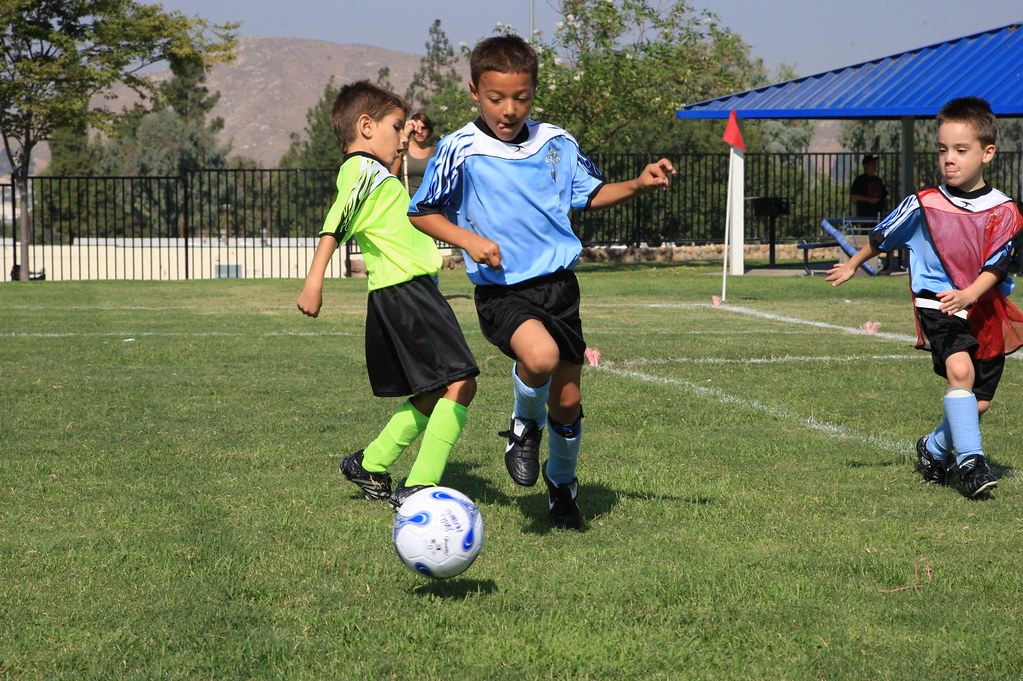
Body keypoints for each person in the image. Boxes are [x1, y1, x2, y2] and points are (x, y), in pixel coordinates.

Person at [408, 35, 675, 529]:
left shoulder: (557, 142)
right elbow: (421, 211)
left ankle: (562, 485)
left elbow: (589, 194)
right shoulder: (460, 148)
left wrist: (638, 184)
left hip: (559, 288)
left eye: (521, 97)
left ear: (534, 92)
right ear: (474, 92)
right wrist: (468, 240)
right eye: (496, 98)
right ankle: (523, 426)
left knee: (568, 403)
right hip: (504, 290)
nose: (509, 110)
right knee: (540, 357)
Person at [825, 96, 1023, 498]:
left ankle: (932, 448)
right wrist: (853, 263)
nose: (949, 159)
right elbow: (883, 235)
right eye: (942, 149)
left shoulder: (1005, 210)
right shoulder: (923, 203)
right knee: (960, 374)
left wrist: (969, 294)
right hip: (937, 302)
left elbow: (999, 266)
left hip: (982, 305)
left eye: (961, 150)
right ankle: (972, 464)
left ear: (987, 153)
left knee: (978, 403)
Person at [297, 80, 479, 509]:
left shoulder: (374, 172)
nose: (402, 136)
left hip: (405, 292)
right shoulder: (361, 171)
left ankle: (370, 464)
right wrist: (313, 281)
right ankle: (419, 487)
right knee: (461, 382)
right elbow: (335, 222)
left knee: (435, 389)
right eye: (396, 127)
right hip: (405, 293)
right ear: (366, 126)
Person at [850, 154, 899, 272]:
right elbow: (854, 195)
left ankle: (885, 264)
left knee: (883, 238)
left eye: (875, 164)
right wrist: (868, 200)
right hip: (865, 216)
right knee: (867, 240)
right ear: (866, 166)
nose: (874, 166)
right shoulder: (860, 180)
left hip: (879, 216)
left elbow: (884, 196)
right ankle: (866, 264)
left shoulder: (878, 180)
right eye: (872, 164)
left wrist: (886, 209)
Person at [390, 112, 437, 196]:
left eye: (424, 128)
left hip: (428, 201)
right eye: (416, 128)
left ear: (429, 130)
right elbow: (393, 176)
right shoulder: (403, 150)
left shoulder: (435, 152)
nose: (419, 131)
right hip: (406, 200)